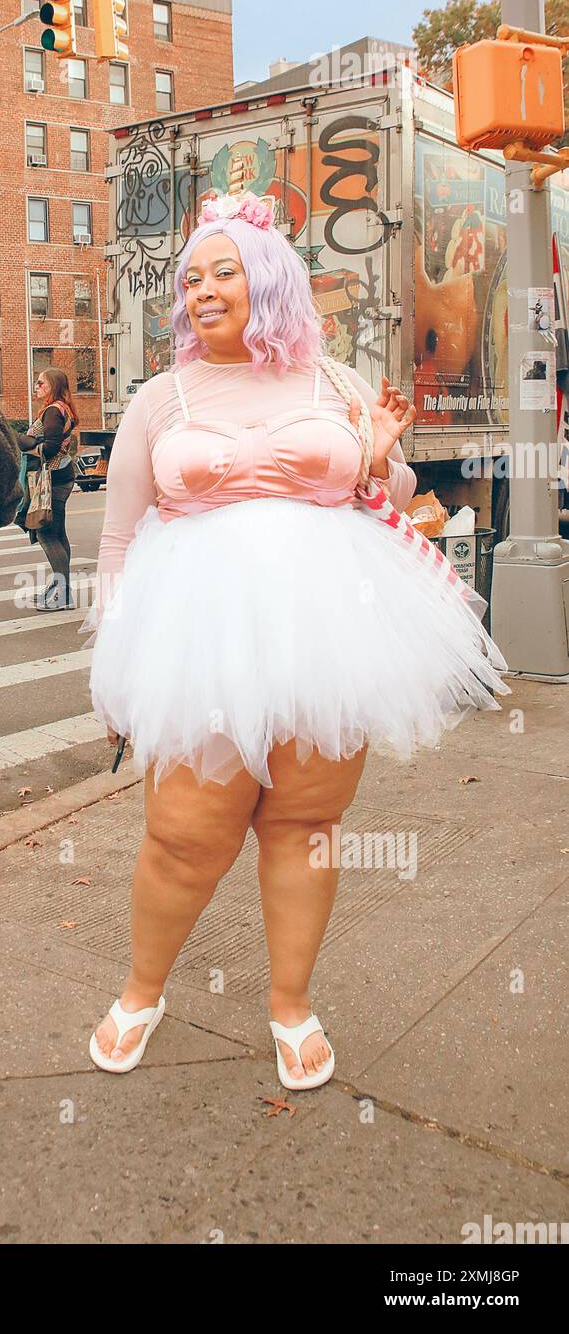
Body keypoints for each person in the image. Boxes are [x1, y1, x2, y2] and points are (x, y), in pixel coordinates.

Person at [78, 191, 511, 1088]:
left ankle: (291, 1003)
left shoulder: (338, 384)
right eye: (191, 278)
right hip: (199, 636)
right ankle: (140, 992)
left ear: (267, 280)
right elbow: (120, 538)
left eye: (223, 272)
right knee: (183, 834)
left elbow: (385, 496)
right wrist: (113, 661)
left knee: (309, 825)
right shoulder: (160, 400)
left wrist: (387, 454)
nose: (201, 291)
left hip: (328, 628)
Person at [15, 368, 78, 609]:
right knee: (58, 534)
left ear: (53, 385)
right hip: (61, 475)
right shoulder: (62, 408)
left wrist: (26, 445)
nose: (37, 386)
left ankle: (62, 594)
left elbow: (50, 448)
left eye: (41, 383)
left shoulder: (53, 411)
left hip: (51, 478)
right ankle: (61, 588)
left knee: (46, 532)